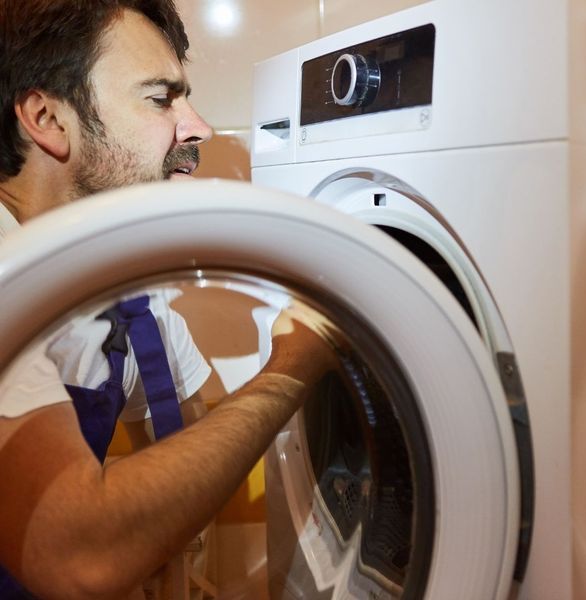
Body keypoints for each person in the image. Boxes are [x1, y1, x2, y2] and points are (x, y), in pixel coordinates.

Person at [0, 1, 336, 597]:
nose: (198, 127)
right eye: (161, 99)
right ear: (47, 117)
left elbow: (195, 447)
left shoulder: (128, 299)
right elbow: (73, 555)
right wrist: (292, 368)